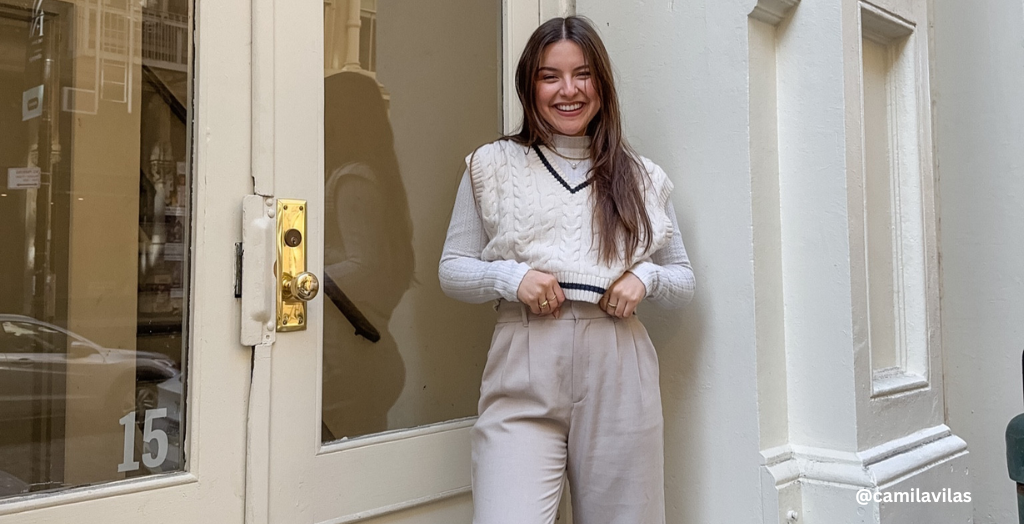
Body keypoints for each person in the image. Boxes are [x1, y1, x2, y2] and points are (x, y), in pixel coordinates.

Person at [438, 16, 695, 524]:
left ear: (601, 82)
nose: (568, 90)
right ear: (529, 85)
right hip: (524, 359)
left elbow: (683, 278)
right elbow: (452, 268)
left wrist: (647, 277)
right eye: (549, 75)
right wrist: (510, 278)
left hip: (619, 364)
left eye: (582, 73)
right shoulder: (491, 165)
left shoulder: (642, 176)